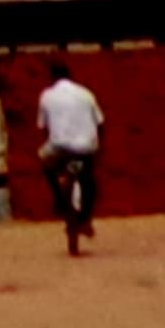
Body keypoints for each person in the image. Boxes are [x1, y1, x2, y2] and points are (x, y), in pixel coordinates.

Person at [35, 57, 104, 253]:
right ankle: (86, 217)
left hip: (60, 147)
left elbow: (43, 127)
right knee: (90, 182)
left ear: (52, 77)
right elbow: (100, 123)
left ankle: (57, 197)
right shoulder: (85, 94)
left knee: (44, 162)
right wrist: (98, 148)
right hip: (86, 147)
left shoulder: (47, 95)